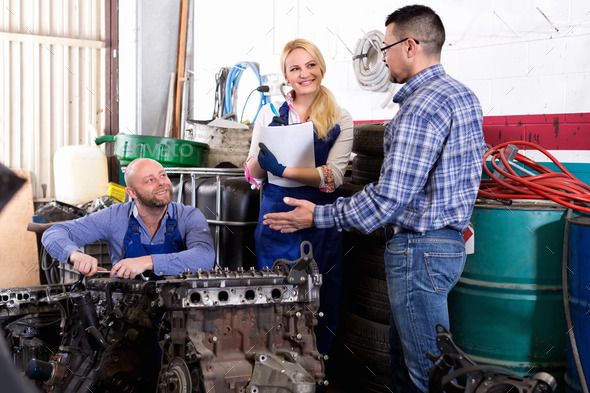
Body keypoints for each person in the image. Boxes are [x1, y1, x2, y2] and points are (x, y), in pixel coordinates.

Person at [262, 5, 486, 393]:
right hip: (445, 245)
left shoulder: (421, 107)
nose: (382, 57)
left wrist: (317, 216)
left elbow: (387, 200)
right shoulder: (462, 95)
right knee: (410, 361)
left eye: (387, 47)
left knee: (424, 374)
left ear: (410, 46)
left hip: (419, 250)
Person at [244, 38, 353, 356]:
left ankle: (316, 372)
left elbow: (333, 179)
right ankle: (274, 371)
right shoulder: (267, 115)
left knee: (321, 299)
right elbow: (250, 173)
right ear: (286, 76)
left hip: (320, 218)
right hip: (276, 216)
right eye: (295, 68)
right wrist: (261, 164)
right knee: (275, 297)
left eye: (310, 65)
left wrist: (286, 169)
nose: (305, 73)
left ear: (321, 67)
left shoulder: (339, 118)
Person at [42, 158, 215, 279]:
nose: (161, 182)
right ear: (132, 193)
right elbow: (54, 233)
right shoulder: (114, 217)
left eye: (163, 175)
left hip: (179, 310)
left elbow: (204, 257)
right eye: (150, 180)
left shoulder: (189, 216)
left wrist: (147, 262)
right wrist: (75, 255)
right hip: (126, 310)